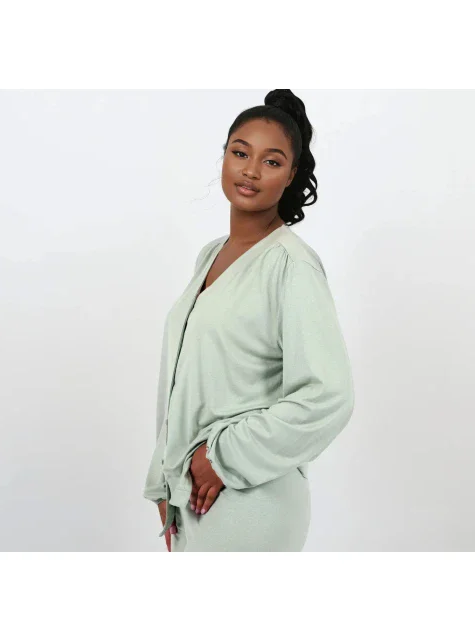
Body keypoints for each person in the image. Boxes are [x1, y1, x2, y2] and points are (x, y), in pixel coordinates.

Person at [143, 89, 354, 551]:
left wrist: (221, 458)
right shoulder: (210, 255)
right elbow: (189, 379)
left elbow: (328, 395)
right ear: (224, 156)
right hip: (192, 498)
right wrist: (165, 478)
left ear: (291, 176)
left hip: (249, 500)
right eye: (240, 153)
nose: (251, 171)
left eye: (272, 161)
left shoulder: (291, 266)